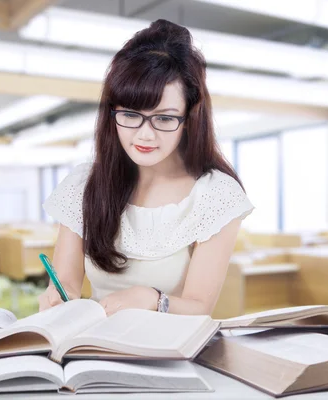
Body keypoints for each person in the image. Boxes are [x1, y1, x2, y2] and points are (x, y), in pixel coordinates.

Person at [39, 18, 254, 316]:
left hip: (170, 354)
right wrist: (55, 296)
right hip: (93, 347)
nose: (144, 135)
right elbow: (66, 283)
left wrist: (153, 299)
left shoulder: (216, 194)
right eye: (130, 115)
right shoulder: (84, 183)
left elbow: (200, 307)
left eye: (164, 118)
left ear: (189, 117)